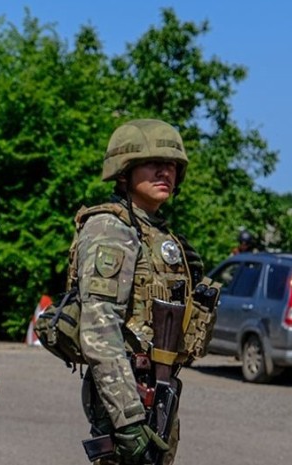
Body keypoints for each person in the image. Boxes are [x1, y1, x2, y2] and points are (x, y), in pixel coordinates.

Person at [67, 119, 204, 464]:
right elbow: (99, 330)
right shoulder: (111, 229)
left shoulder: (157, 233)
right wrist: (128, 419)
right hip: (128, 396)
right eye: (153, 163)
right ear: (124, 171)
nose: (165, 172)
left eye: (172, 165)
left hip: (158, 389)